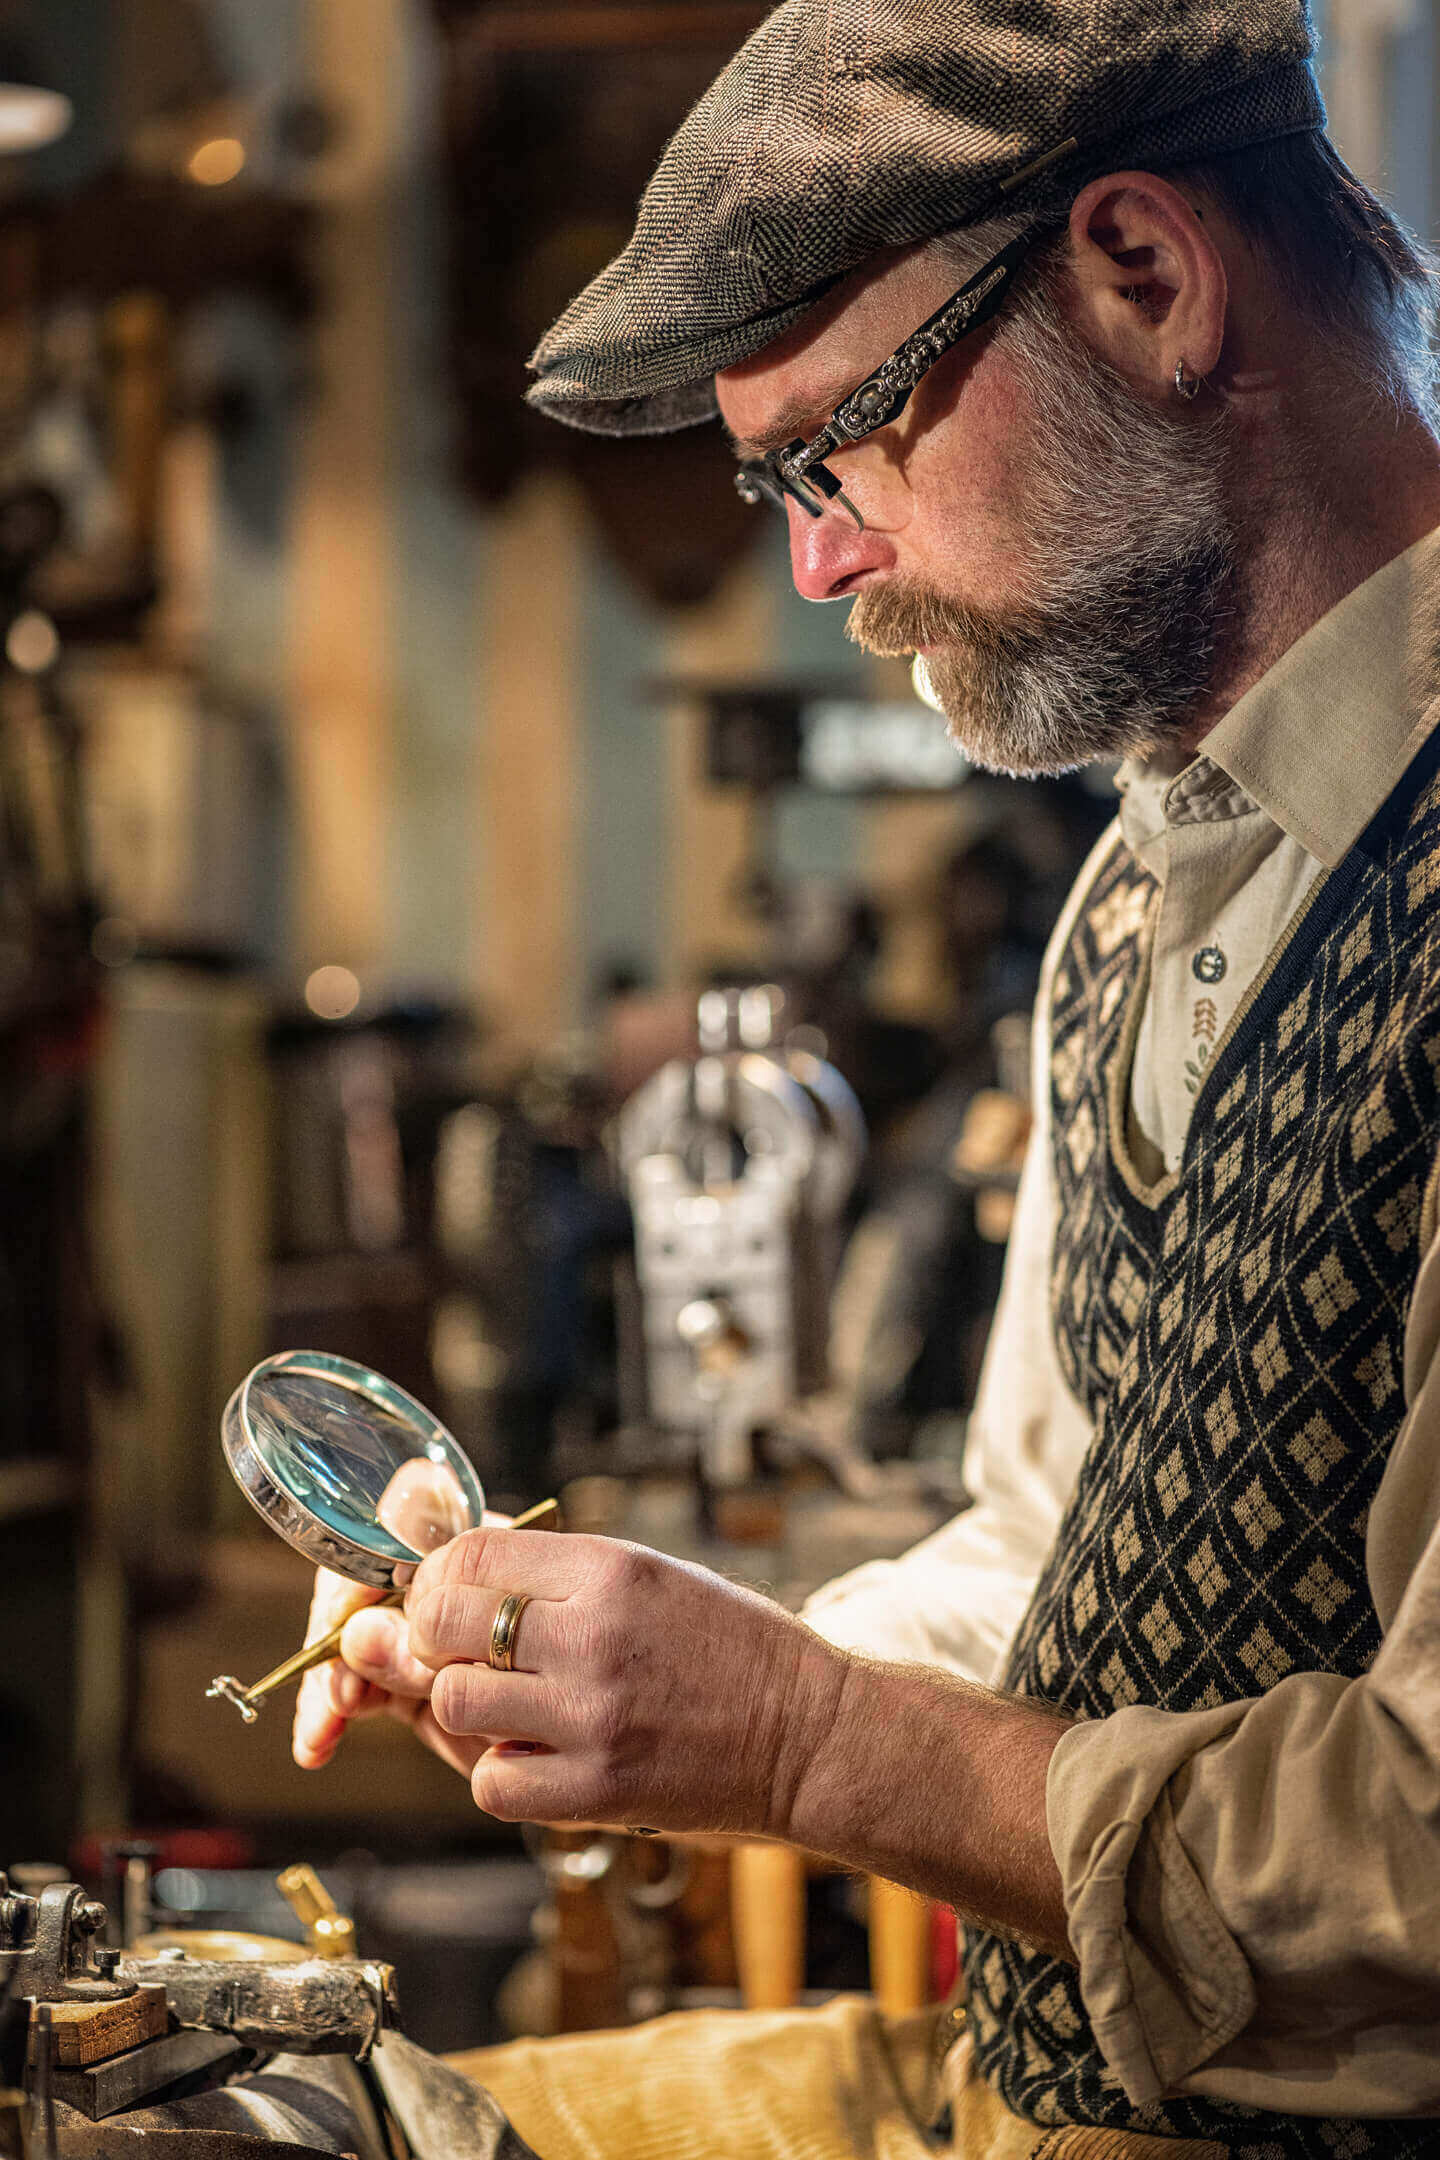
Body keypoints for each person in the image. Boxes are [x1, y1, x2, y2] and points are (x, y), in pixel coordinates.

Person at [292, 3, 1440, 2154]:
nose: (815, 560)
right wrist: (650, 1667)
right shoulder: (1142, 896)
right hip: (1023, 2087)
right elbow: (1054, 1557)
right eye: (775, 481)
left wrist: (813, 1745)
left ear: (1148, 277)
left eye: (849, 437)